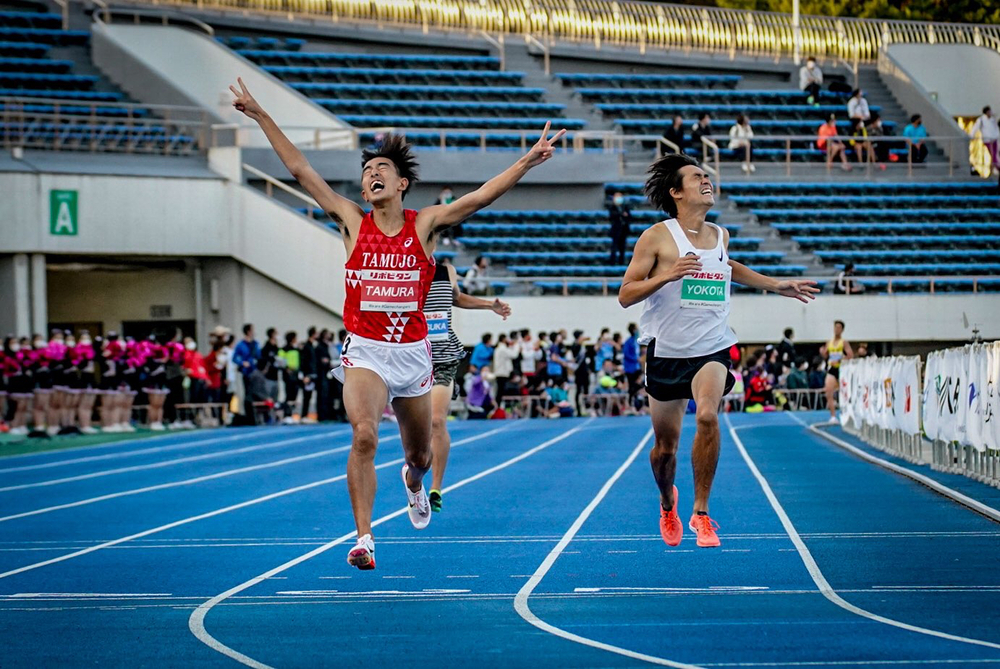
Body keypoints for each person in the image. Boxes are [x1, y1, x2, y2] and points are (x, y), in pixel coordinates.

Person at [230, 76, 565, 570]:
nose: (372, 175)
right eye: (366, 171)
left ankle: (414, 486)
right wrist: (261, 116)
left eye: (381, 168)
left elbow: (478, 198)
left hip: (413, 355)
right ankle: (365, 537)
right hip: (364, 349)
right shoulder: (350, 220)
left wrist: (525, 161)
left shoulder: (423, 224)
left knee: (420, 457)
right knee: (363, 435)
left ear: (401, 183)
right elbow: (301, 169)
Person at [618, 153, 817, 549]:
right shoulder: (657, 237)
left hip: (713, 346)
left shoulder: (720, 235)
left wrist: (776, 284)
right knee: (664, 451)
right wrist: (668, 275)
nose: (706, 180)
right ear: (676, 192)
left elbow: (728, 267)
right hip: (667, 352)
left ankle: (701, 513)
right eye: (696, 177)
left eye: (707, 175)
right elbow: (626, 295)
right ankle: (667, 501)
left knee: (707, 415)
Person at [423, 258, 510, 513]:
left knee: (437, 421)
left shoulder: (446, 270)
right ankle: (416, 472)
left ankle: (435, 488)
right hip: (411, 356)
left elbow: (457, 298)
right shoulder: (403, 267)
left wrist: (488, 305)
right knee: (416, 431)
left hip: (443, 357)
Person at [820, 320, 853, 425]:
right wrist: (823, 353)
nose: (837, 329)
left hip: (842, 369)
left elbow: (850, 355)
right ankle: (833, 416)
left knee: (846, 393)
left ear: (842, 330)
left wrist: (841, 359)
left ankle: (849, 414)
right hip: (832, 369)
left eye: (839, 328)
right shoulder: (829, 342)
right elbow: (826, 355)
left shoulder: (843, 342)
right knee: (828, 391)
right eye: (835, 327)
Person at [232, 323, 261, 424]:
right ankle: (249, 417)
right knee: (247, 394)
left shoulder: (255, 344)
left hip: (255, 373)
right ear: (248, 331)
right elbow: (235, 357)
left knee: (255, 394)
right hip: (246, 373)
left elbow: (259, 356)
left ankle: (257, 415)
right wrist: (242, 363)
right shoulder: (241, 345)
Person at [970, 106, 999, 176]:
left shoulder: (993, 120)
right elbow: (975, 128)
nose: (990, 113)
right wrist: (971, 136)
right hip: (988, 140)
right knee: (993, 155)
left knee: (995, 155)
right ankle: (997, 167)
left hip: (994, 139)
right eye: (989, 112)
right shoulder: (981, 120)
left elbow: (996, 129)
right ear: (986, 112)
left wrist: (997, 137)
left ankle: (993, 169)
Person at [607, 190, 632, 265]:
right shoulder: (612, 207)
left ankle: (621, 261)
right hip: (616, 229)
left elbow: (629, 217)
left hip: (623, 229)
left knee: (622, 247)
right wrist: (621, 214)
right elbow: (611, 216)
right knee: (614, 246)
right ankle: (612, 261)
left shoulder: (625, 206)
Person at [299, 326, 318, 423]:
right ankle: (303, 415)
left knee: (309, 396)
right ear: (313, 334)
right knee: (306, 396)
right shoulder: (307, 346)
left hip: (312, 374)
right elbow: (304, 361)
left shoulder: (311, 346)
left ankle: (305, 415)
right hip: (308, 375)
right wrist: (304, 375)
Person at [623, 322, 642, 404]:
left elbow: (637, 352)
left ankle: (636, 402)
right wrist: (636, 359)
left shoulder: (636, 341)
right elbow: (626, 354)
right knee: (632, 386)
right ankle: (630, 402)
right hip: (630, 368)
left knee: (638, 384)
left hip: (636, 367)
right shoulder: (628, 342)